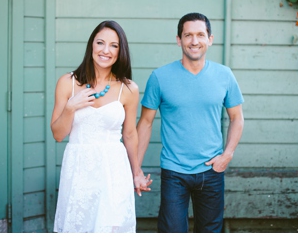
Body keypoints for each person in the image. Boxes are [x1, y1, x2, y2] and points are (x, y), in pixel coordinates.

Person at [136, 12, 245, 233]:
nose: (194, 41)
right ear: (179, 40)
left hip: (212, 170)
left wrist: (227, 155)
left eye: (200, 35)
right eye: (188, 35)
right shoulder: (160, 77)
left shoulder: (225, 75)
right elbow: (145, 123)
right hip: (174, 171)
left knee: (210, 232)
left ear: (210, 39)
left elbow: (237, 118)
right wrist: (135, 168)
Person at [51, 20, 152, 233]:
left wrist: (136, 172)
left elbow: (130, 134)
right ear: (91, 46)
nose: (106, 50)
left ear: (120, 51)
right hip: (78, 168)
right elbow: (58, 135)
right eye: (100, 43)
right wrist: (70, 107)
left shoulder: (128, 89)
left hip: (113, 168)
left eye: (114, 45)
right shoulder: (67, 82)